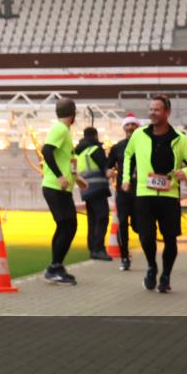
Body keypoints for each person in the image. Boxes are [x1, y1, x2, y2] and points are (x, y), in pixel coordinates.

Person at [123, 96, 187, 293]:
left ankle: (166, 275)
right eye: (150, 109)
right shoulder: (139, 134)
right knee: (146, 237)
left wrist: (186, 173)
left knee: (170, 238)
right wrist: (126, 178)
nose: (152, 113)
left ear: (167, 112)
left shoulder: (180, 139)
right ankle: (152, 266)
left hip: (169, 196)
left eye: (157, 109)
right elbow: (128, 155)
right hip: (144, 193)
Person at [40, 98, 89, 284]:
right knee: (68, 226)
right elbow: (47, 151)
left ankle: (56, 266)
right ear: (73, 114)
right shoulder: (60, 129)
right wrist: (60, 176)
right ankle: (54, 267)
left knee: (66, 226)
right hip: (55, 186)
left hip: (60, 187)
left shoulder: (63, 131)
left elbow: (66, 159)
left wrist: (76, 179)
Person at [106, 113, 141, 271]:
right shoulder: (118, 147)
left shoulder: (144, 145)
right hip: (123, 190)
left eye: (133, 125)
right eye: (127, 125)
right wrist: (109, 171)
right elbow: (108, 165)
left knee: (138, 224)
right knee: (122, 223)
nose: (130, 128)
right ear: (124, 128)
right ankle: (125, 257)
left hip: (141, 191)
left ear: (137, 127)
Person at [76, 126, 111, 261]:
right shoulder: (96, 150)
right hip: (97, 189)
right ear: (96, 136)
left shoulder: (80, 152)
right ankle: (98, 249)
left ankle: (92, 249)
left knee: (92, 220)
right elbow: (105, 167)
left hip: (86, 190)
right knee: (102, 218)